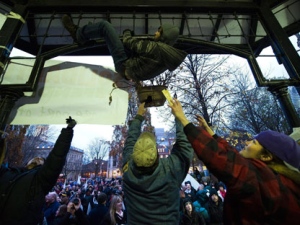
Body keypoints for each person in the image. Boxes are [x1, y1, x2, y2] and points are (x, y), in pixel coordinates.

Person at [169, 98, 300, 225]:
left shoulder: (265, 179)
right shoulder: (279, 179)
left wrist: (183, 119)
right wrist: (211, 133)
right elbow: (233, 154)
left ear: (266, 157)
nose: (247, 142)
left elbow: (220, 158)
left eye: (254, 142)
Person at [122, 102, 194, 224]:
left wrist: (138, 117)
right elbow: (184, 148)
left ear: (134, 155)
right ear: (156, 153)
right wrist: (178, 116)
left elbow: (129, 142)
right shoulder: (169, 170)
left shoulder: (127, 171)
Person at [62, 14, 187, 82]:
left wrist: (127, 32)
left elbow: (127, 41)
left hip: (124, 64)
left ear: (164, 36)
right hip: (130, 70)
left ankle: (78, 34)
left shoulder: (156, 48)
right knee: (109, 36)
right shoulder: (167, 57)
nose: (155, 32)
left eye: (159, 31)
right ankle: (89, 32)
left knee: (104, 27)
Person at [0, 116, 77, 225]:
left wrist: (67, 131)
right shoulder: (9, 172)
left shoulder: (39, 181)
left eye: (42, 160)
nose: (38, 158)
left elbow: (56, 158)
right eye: (36, 158)